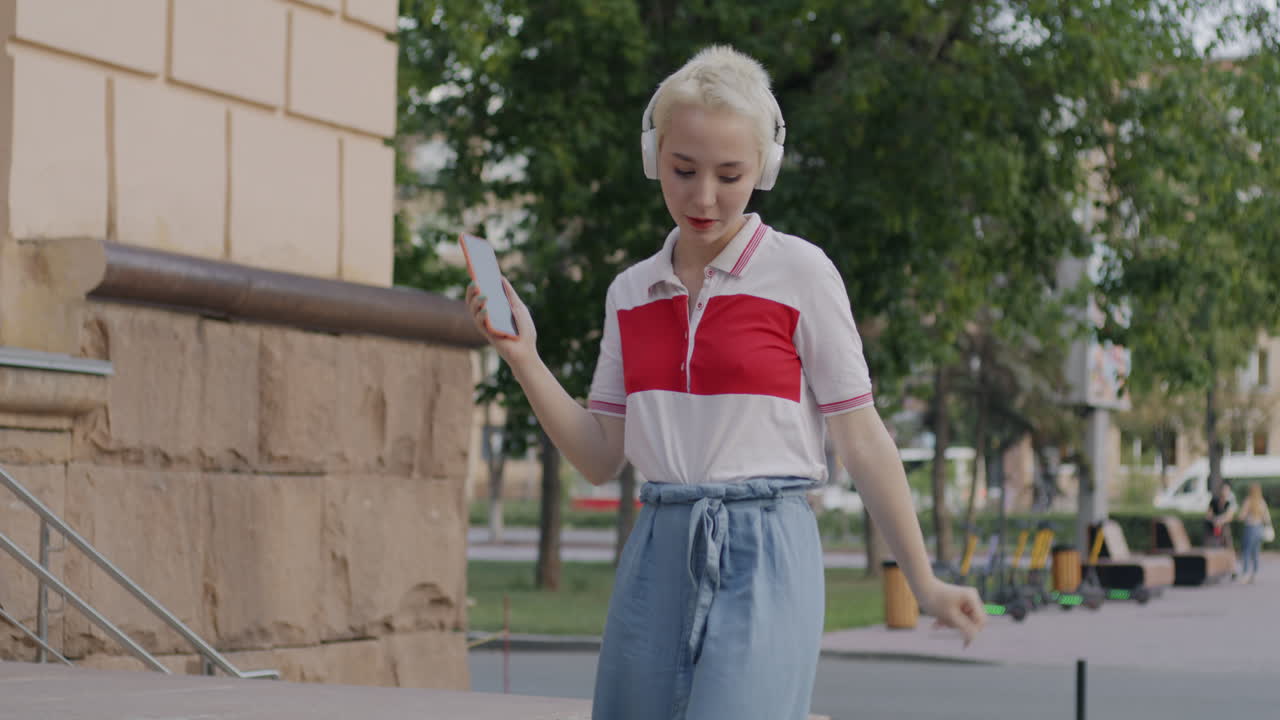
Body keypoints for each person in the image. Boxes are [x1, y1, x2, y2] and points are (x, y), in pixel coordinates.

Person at [466, 45, 984, 720]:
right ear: (653, 156)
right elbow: (599, 457)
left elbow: (862, 441)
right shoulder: (629, 293)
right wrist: (524, 358)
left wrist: (924, 582)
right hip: (658, 546)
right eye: (683, 170)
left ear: (764, 169)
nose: (704, 196)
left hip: (768, 549)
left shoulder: (802, 274)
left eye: (730, 174)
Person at [1238, 483, 1272, 583]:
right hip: (1259, 528)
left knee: (1246, 551)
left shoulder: (1248, 501)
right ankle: (1255, 573)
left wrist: (1240, 517)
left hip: (1250, 528)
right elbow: (1267, 518)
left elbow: (1242, 516)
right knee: (1256, 551)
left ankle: (1245, 573)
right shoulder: (1262, 502)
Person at [1204, 479, 1237, 550]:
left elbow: (1230, 516)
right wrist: (1215, 520)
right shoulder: (1214, 500)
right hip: (1213, 528)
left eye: (1227, 490)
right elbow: (1208, 514)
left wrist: (1221, 521)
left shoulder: (1230, 501)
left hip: (1224, 528)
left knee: (1227, 545)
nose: (1224, 491)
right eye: (1223, 489)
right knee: (1213, 546)